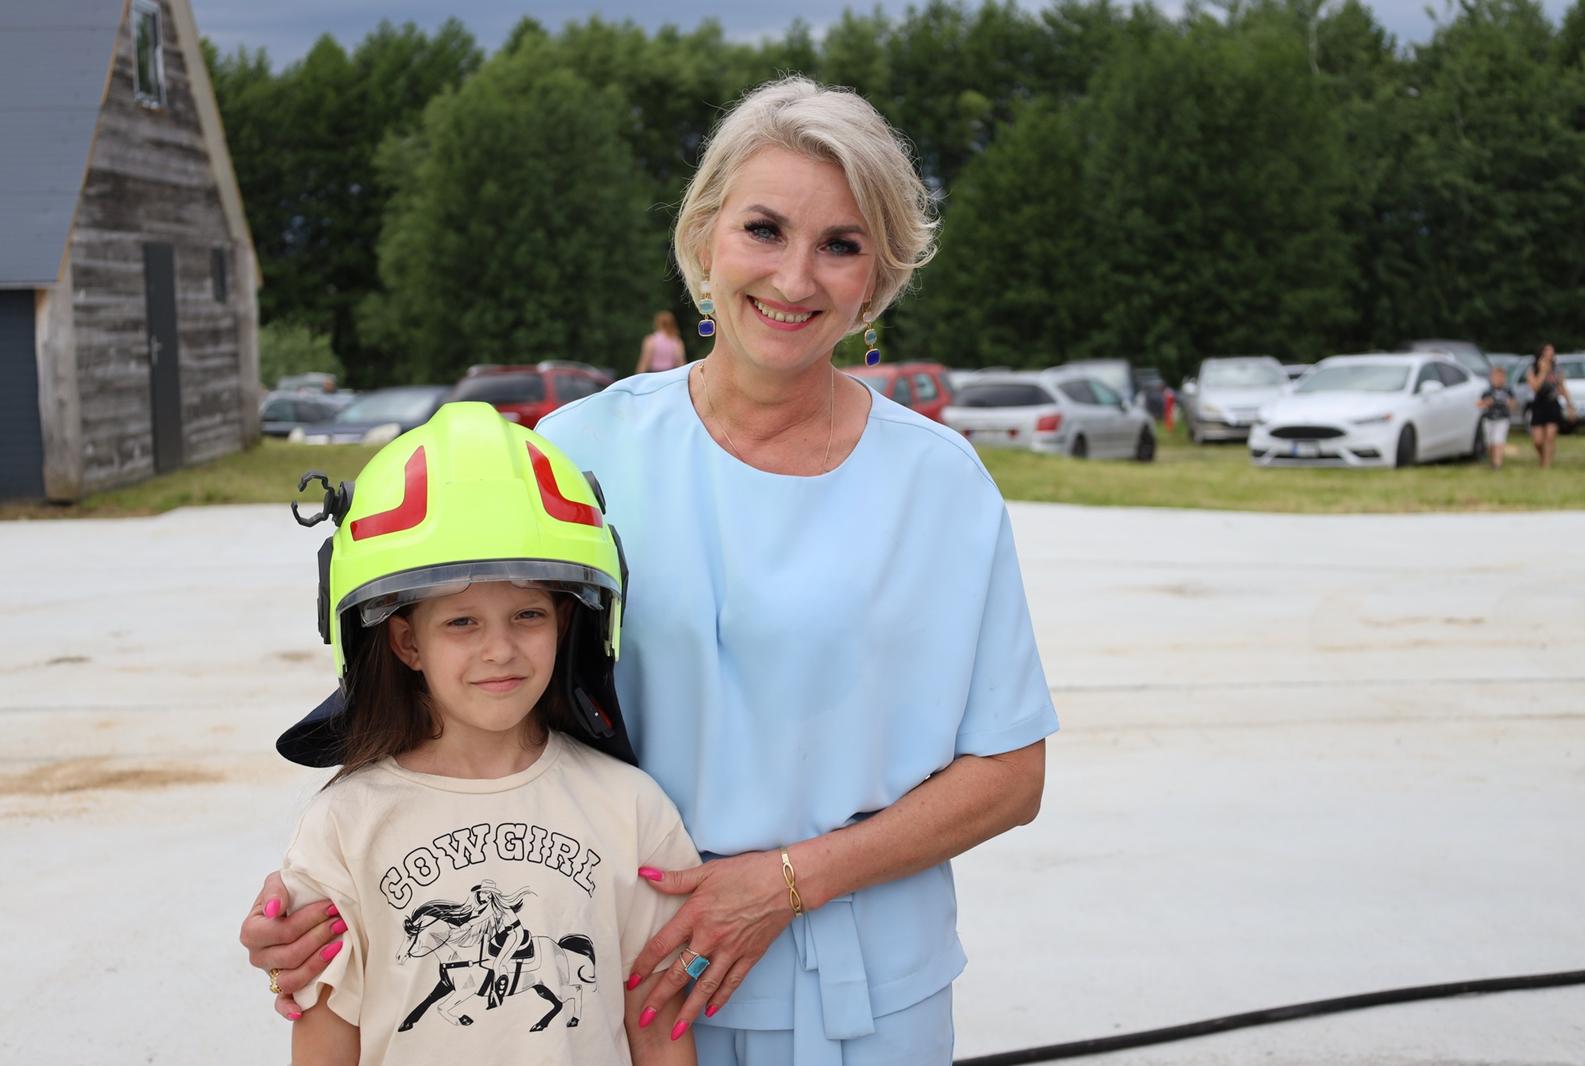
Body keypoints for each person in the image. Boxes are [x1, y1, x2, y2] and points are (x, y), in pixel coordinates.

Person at [244, 76, 1056, 1065]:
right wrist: (326, 893)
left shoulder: (940, 482)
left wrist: (788, 881)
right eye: (764, 229)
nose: (795, 278)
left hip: (865, 998)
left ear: (876, 277)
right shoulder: (572, 454)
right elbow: (436, 693)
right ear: (706, 239)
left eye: (840, 244)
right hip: (603, 983)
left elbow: (1009, 774)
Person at [272, 402, 700, 1065]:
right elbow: (324, 1045)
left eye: (528, 614)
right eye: (462, 622)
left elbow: (657, 1026)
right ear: (407, 642)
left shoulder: (633, 809)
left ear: (566, 623)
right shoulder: (342, 826)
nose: (500, 649)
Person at [1526, 343, 1576, 468]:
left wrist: (1569, 405)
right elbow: (1535, 388)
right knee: (1537, 441)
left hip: (1553, 403)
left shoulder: (1557, 369)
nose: (1550, 354)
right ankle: (1543, 458)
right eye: (1548, 352)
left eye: (1552, 352)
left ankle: (1546, 465)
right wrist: (1543, 372)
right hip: (1538, 404)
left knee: (1550, 436)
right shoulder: (1533, 369)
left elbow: (1562, 387)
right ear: (1541, 353)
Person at [1476, 365, 1516, 470]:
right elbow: (1479, 404)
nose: (1498, 379)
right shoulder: (1487, 391)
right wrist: (1486, 403)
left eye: (1501, 377)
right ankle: (1492, 461)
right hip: (1489, 419)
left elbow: (1513, 403)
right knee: (1490, 443)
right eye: (1496, 377)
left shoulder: (1507, 391)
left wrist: (1509, 403)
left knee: (1498, 440)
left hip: (1502, 419)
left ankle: (1497, 463)